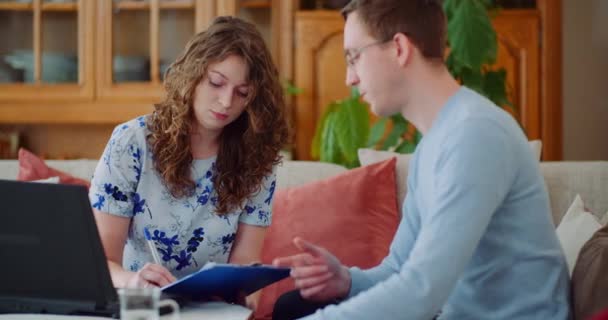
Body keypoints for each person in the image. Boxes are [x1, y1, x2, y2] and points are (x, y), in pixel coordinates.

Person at [272, 0, 570, 319]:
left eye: (353, 57)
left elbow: (420, 293)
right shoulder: (434, 144)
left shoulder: (476, 134)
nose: (350, 79)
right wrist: (346, 281)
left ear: (399, 48)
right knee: (290, 306)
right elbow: (399, 270)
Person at [89, 16, 289, 307]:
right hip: (142, 304)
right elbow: (102, 261)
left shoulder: (258, 157)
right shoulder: (131, 142)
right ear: (193, 75)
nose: (225, 102)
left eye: (242, 93)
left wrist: (244, 305)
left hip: (212, 308)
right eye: (216, 83)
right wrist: (135, 281)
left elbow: (246, 263)